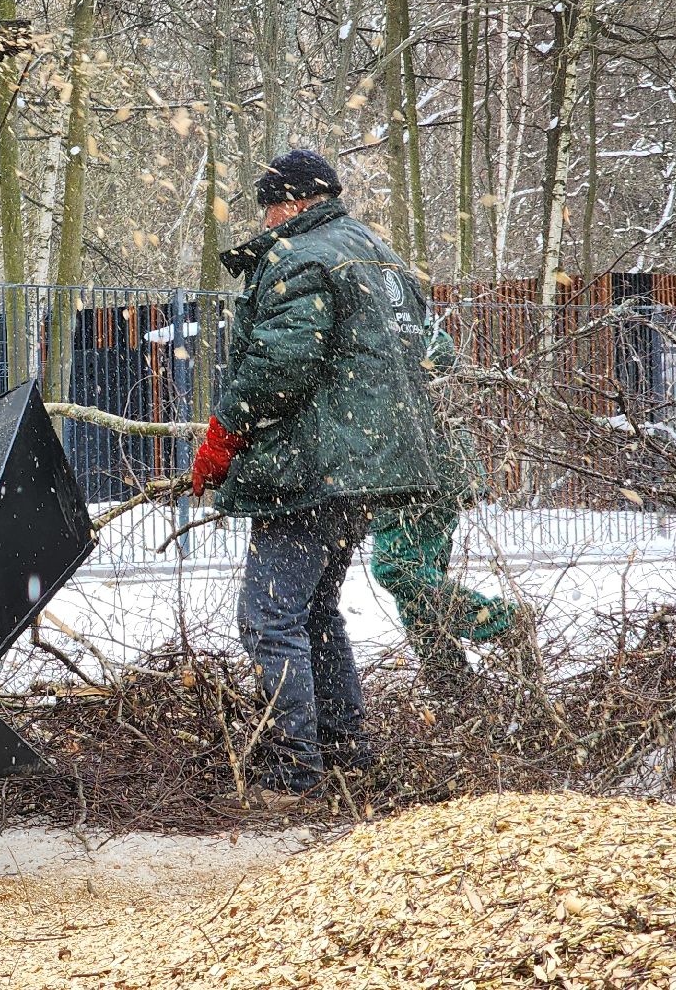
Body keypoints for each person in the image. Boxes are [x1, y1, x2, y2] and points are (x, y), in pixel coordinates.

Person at [189, 148, 440, 810]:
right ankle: (346, 755)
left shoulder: (300, 257)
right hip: (370, 469)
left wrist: (225, 434)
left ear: (294, 201)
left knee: (270, 618)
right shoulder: (377, 255)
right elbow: (422, 355)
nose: (265, 217)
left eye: (269, 204)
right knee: (316, 612)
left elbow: (281, 366)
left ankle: (290, 778)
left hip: (315, 471)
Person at [370, 318, 532, 694]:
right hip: (406, 467)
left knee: (397, 568)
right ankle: (453, 688)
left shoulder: (390, 300)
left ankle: (501, 620)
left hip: (424, 468)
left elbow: (438, 348)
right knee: (418, 589)